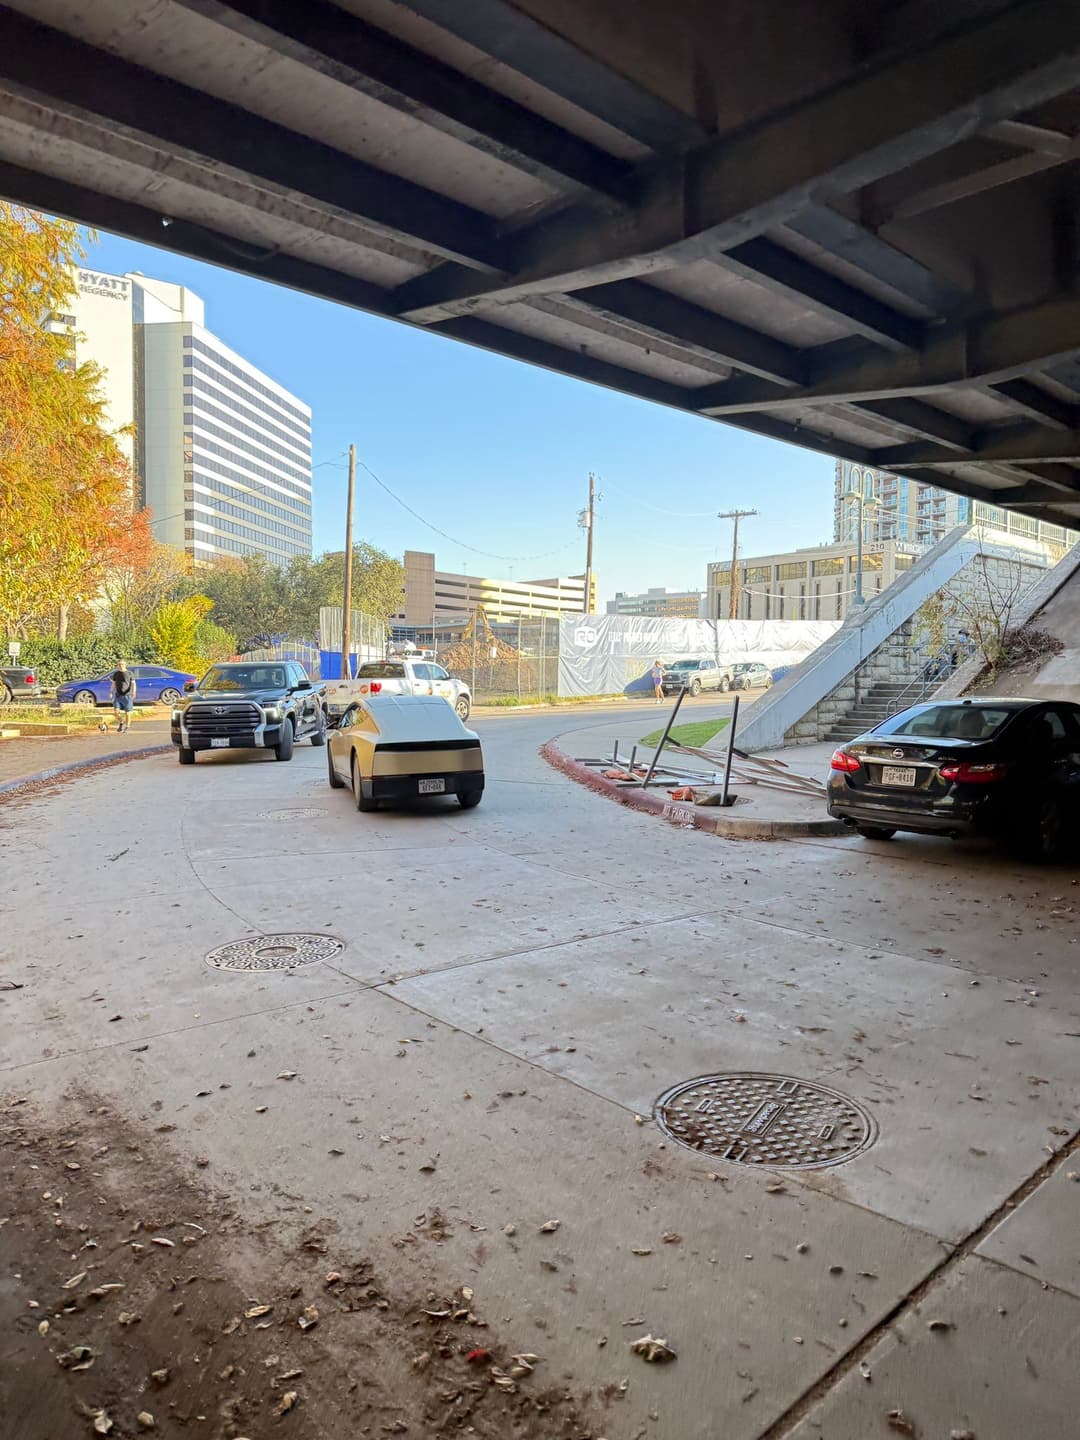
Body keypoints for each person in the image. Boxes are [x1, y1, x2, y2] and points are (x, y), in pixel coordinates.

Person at [110, 660, 136, 732]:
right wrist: (111, 692)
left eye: (122, 664)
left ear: (125, 665)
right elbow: (113, 683)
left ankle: (127, 726)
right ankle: (121, 722)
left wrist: (134, 692)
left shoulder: (130, 673)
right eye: (119, 664)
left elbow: (133, 683)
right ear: (118, 665)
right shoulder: (116, 674)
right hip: (118, 695)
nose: (121, 666)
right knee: (116, 711)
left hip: (127, 695)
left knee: (127, 713)